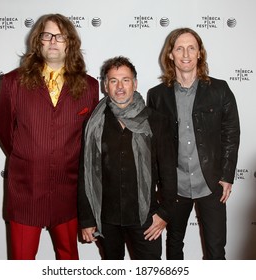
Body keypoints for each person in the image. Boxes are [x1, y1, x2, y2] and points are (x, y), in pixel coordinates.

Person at [0, 13, 99, 260]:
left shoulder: (90, 86)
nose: (53, 40)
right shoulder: (12, 82)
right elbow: (4, 131)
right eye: (47, 35)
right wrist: (29, 156)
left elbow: (89, 140)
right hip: (25, 190)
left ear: (69, 43)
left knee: (68, 261)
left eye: (60, 36)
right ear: (38, 41)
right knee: (21, 263)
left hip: (68, 191)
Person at [147, 28, 240, 260]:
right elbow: (153, 144)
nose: (186, 53)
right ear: (170, 55)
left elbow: (231, 133)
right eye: (179, 48)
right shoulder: (157, 95)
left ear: (200, 53)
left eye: (191, 48)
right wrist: (158, 184)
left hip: (210, 183)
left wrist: (227, 175)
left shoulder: (220, 90)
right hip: (174, 186)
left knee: (216, 251)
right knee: (174, 245)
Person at [77, 56, 177, 260]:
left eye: (126, 80)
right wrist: (87, 219)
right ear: (106, 85)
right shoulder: (94, 123)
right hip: (106, 218)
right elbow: (85, 173)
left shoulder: (156, 121)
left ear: (135, 83)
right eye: (113, 80)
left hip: (145, 218)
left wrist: (165, 213)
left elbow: (169, 172)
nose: (120, 86)